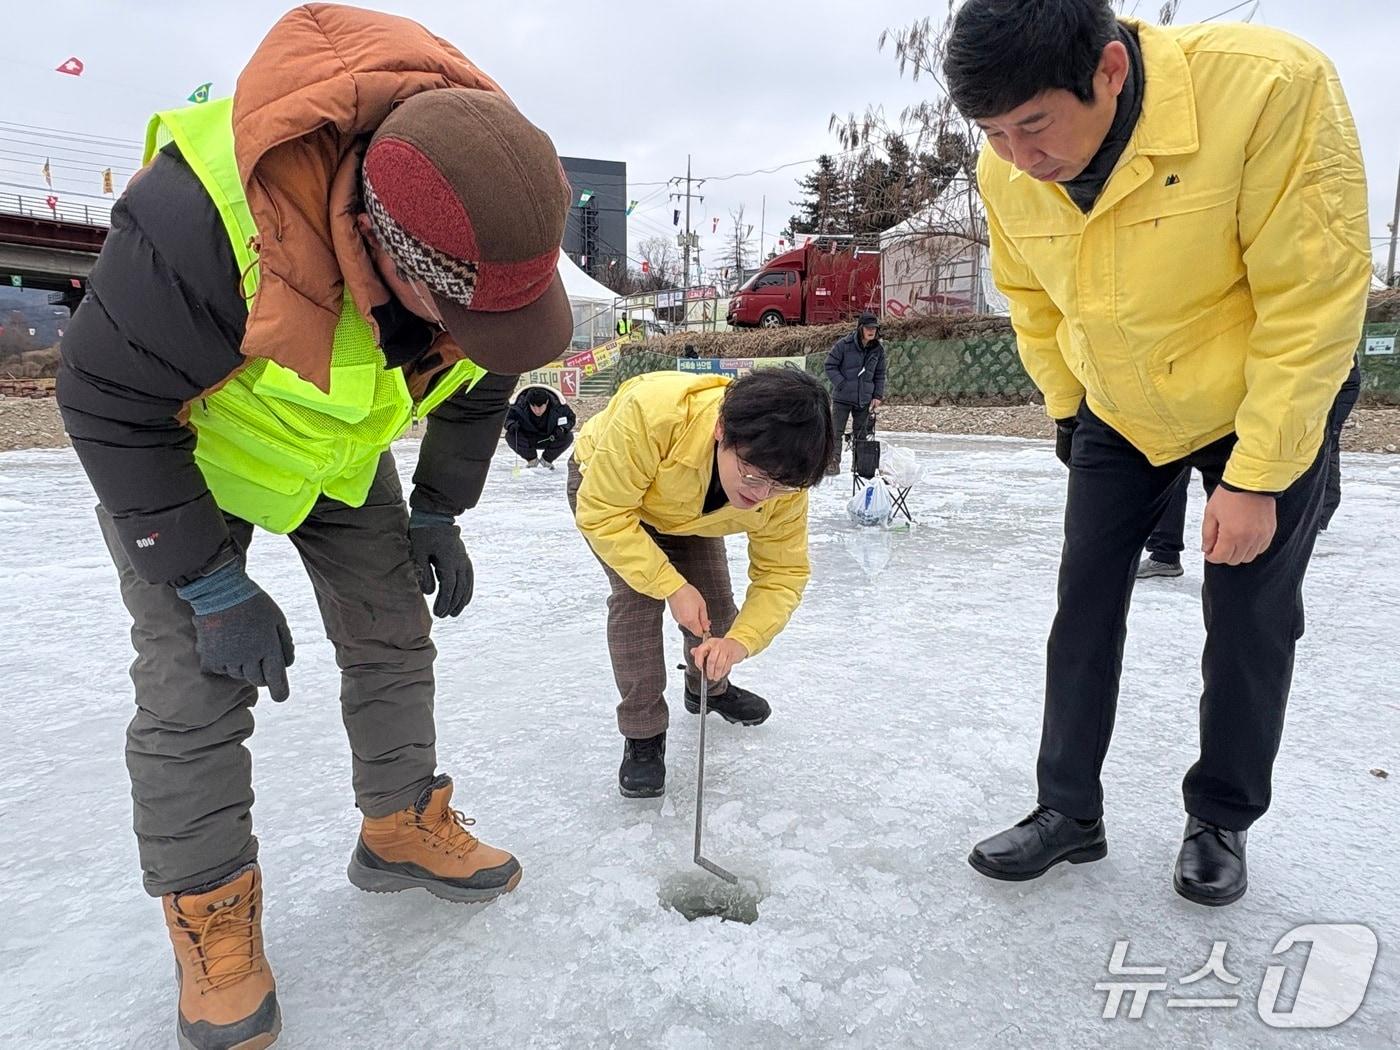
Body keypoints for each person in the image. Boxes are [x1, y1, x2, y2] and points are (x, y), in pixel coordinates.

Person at [55, 6, 572, 1046]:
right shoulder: (199, 222)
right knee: (195, 684)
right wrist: (205, 581)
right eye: (460, 310)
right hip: (185, 455)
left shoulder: (490, 196)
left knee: (391, 631)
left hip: (333, 455)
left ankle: (397, 824)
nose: (481, 335)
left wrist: (439, 508)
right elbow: (102, 396)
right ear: (387, 246)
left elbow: (483, 369)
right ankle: (211, 916)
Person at [947, 0, 1370, 906]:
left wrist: (1257, 477)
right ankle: (1068, 812)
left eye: (1032, 125)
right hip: (1121, 400)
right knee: (1084, 605)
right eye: (993, 133)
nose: (1018, 158)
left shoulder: (1269, 88)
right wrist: (1068, 408)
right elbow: (1031, 296)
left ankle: (1222, 817)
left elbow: (1315, 300)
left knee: (1251, 617)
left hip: (1262, 394)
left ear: (1108, 70)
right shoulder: (1006, 163)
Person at [568, 368, 834, 797]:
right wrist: (670, 585)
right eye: (753, 475)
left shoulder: (783, 484)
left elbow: (781, 573)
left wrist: (739, 643)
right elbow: (603, 514)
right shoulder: (653, 414)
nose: (763, 495)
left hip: (691, 513)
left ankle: (708, 687)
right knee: (636, 605)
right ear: (721, 429)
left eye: (780, 486)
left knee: (717, 611)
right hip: (613, 496)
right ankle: (643, 733)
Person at [1138, 356, 1362, 579]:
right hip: (1208, 383)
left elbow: (1313, 349)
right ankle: (1164, 551)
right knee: (1170, 460)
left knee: (1319, 447)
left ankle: (1321, 514)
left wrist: (1255, 483)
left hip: (1312, 382)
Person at [824, 311, 886, 474]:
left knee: (861, 433)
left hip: (864, 399)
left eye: (874, 328)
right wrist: (842, 383)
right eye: (868, 328)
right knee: (836, 431)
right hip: (842, 398)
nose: (871, 331)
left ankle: (859, 465)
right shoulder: (844, 345)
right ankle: (833, 462)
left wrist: (877, 396)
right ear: (860, 328)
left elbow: (880, 374)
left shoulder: (878, 350)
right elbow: (830, 365)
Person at [505, 384, 576, 469]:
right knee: (510, 436)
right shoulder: (518, 406)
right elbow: (506, 418)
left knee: (568, 436)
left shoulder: (559, 406)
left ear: (547, 402)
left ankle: (547, 460)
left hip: (550, 437)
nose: (537, 411)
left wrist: (563, 428)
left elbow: (571, 418)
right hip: (527, 439)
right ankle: (531, 459)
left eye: (541, 407)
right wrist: (511, 425)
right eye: (533, 407)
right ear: (529, 403)